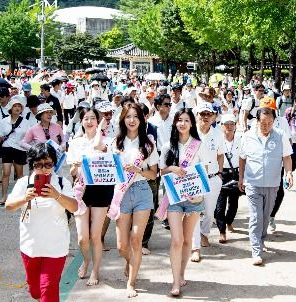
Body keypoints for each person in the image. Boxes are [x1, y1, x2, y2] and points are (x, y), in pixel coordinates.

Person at [5, 142, 79, 302]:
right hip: (30, 247)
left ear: (54, 163)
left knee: (48, 290)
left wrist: (57, 195)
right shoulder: (24, 183)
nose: (44, 169)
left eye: (48, 164)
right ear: (31, 164)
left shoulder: (61, 182)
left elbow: (74, 207)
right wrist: (25, 198)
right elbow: (9, 206)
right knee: (35, 291)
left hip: (56, 247)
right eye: (38, 165)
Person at [108, 103, 159, 298]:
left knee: (136, 239)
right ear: (123, 119)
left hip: (142, 191)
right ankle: (130, 262)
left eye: (136, 116)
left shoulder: (148, 143)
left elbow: (154, 174)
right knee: (122, 246)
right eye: (128, 116)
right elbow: (108, 169)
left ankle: (131, 282)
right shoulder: (115, 143)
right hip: (121, 192)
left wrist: (138, 170)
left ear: (142, 119)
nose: (132, 120)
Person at [159, 108, 209, 297]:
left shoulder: (199, 145)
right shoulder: (167, 146)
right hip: (174, 199)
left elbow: (204, 171)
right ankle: (175, 282)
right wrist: (172, 168)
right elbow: (161, 171)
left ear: (192, 124)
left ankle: (181, 273)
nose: (182, 123)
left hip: (194, 199)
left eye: (186, 120)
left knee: (188, 240)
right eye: (179, 120)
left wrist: (197, 192)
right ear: (175, 122)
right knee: (177, 240)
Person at [238, 107, 294, 265]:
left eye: (270, 123)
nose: (267, 126)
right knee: (256, 217)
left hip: (272, 184)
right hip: (253, 183)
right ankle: (256, 250)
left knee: (265, 216)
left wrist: (289, 173)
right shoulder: (248, 136)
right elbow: (242, 158)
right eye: (263, 123)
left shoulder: (280, 136)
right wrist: (241, 177)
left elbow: (287, 157)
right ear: (257, 121)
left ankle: (261, 240)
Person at [67, 107, 111, 285]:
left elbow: (111, 164)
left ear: (99, 121)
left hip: (102, 189)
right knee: (82, 238)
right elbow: (72, 172)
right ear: (81, 121)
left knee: (95, 235)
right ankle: (86, 260)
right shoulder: (75, 143)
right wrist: (76, 166)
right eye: (86, 118)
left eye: (93, 118)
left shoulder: (108, 141)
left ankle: (95, 271)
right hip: (81, 191)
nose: (90, 121)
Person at [190, 104, 223, 262]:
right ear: (196, 115)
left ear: (213, 116)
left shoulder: (218, 134)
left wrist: (220, 173)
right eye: (202, 113)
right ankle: (195, 247)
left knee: (209, 212)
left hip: (212, 178)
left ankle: (204, 233)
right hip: (194, 179)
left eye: (208, 114)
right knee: (195, 213)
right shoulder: (190, 132)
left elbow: (220, 154)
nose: (205, 117)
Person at [0, 96, 32, 206]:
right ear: (10, 108)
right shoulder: (4, 121)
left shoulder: (25, 122)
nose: (17, 108)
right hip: (7, 148)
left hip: (20, 149)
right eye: (15, 106)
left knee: (19, 174)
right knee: (6, 173)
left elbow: (29, 137)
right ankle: (4, 196)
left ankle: (21, 196)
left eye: (19, 106)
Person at [215, 113, 243, 243]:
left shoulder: (240, 140)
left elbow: (244, 158)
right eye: (227, 124)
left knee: (234, 203)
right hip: (222, 173)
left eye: (232, 124)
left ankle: (229, 221)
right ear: (221, 126)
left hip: (235, 173)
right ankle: (222, 231)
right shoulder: (217, 139)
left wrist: (243, 175)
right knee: (220, 205)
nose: (230, 127)